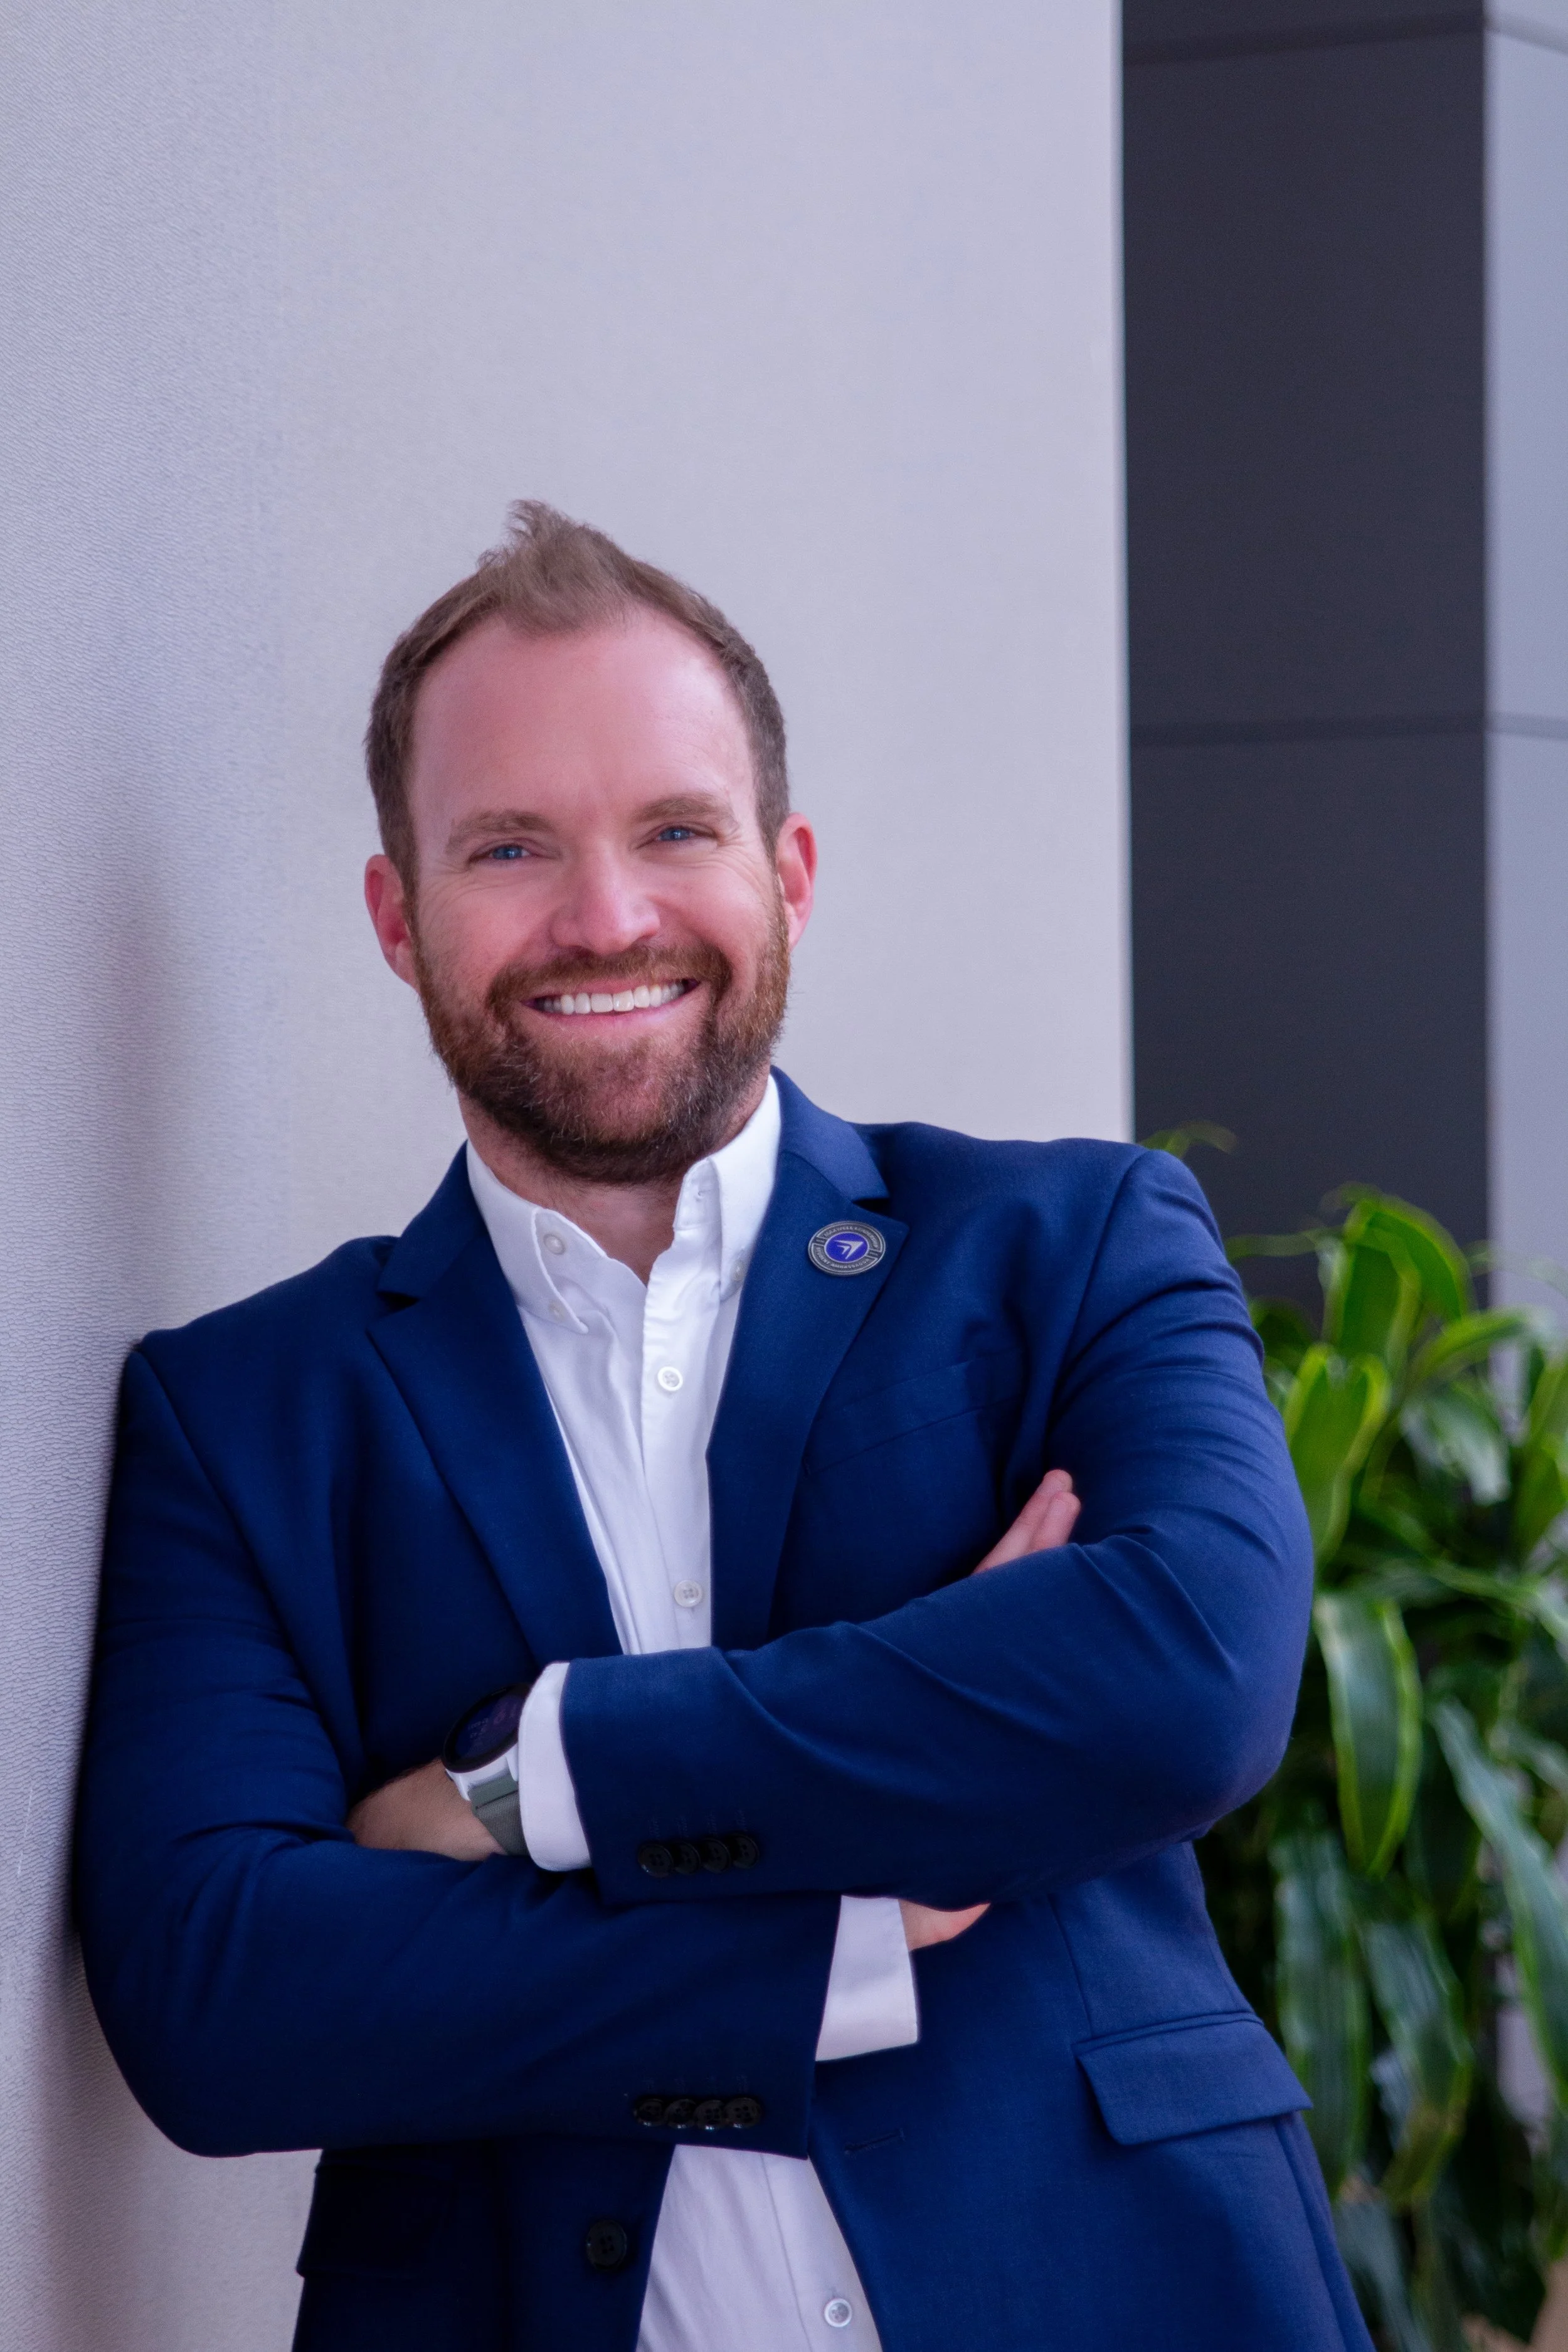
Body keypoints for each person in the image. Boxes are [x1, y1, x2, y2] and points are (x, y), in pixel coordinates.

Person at [76, 502, 1370, 2352]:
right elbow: (221, 1995)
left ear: (789, 870)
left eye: (673, 830)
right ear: (398, 915)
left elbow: (1179, 1677)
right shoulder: (245, 1413)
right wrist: (840, 1919)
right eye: (509, 845)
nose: (604, 917)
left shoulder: (1072, 1242)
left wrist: (533, 1779)